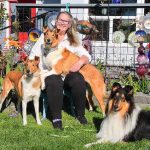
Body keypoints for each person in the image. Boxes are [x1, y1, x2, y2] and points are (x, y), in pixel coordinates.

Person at [29, 11, 91, 130]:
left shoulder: (72, 39)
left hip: (66, 72)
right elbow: (33, 55)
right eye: (60, 20)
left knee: (77, 78)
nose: (62, 23)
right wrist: (36, 69)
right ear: (56, 21)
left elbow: (86, 55)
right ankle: (57, 119)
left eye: (66, 21)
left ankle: (80, 115)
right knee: (53, 80)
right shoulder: (46, 35)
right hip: (49, 72)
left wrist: (80, 61)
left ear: (69, 25)